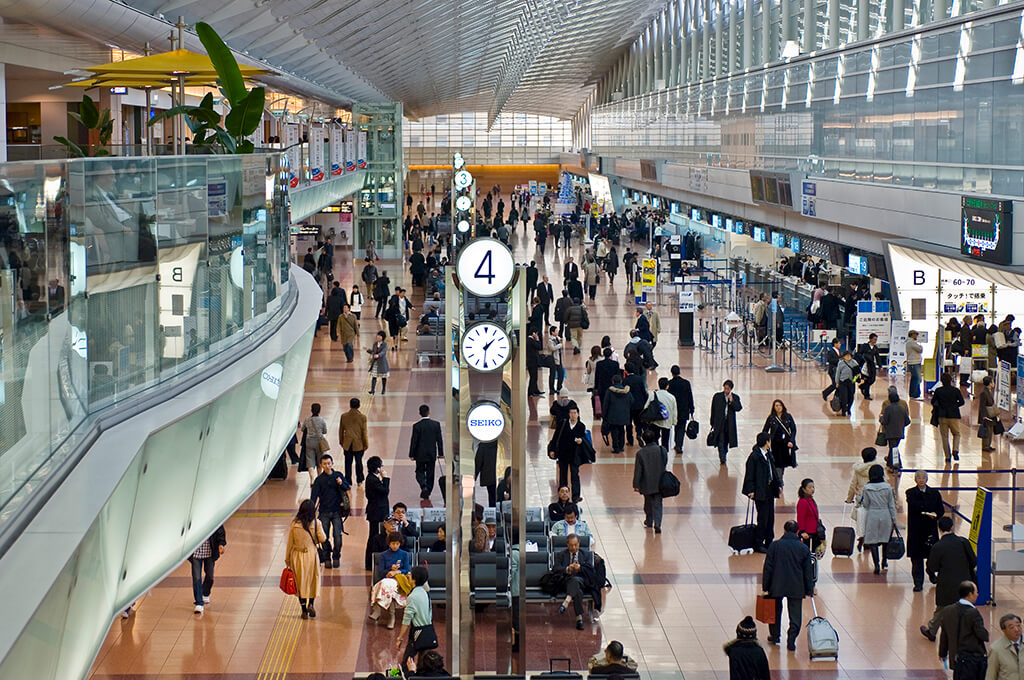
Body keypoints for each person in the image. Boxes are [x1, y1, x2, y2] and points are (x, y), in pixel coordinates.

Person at [762, 520, 816, 651]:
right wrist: (809, 589)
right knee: (795, 615)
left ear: (784, 530)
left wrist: (766, 586)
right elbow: (808, 571)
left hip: (777, 584)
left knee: (775, 611)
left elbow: (768, 568)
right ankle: (791, 639)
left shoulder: (775, 546)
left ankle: (775, 636)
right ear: (797, 532)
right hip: (796, 586)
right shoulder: (803, 548)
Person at [922, 516, 978, 641]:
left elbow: (932, 566)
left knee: (942, 609)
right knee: (966, 608)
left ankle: (932, 630)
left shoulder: (938, 546)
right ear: (952, 527)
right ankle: (968, 633)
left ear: (939, 529)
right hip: (965, 582)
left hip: (946, 584)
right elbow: (973, 561)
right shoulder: (963, 542)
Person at [937, 581, 989, 678]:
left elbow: (944, 634)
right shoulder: (973, 613)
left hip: (956, 659)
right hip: (972, 660)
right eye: (976, 592)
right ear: (970, 594)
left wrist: (942, 653)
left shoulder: (947, 610)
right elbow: (982, 635)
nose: (977, 595)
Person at [285, 499, 326, 619]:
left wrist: (287, 559)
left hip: (297, 556)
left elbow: (290, 543)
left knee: (300, 582)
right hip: (311, 555)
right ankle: (311, 604)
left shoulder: (294, 524)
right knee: (312, 580)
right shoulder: (316, 523)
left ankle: (303, 609)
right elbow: (323, 539)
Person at [310, 453, 351, 570]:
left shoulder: (338, 475)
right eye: (324, 464)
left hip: (337, 512)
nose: (327, 466)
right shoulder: (319, 480)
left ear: (332, 463)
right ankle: (327, 557)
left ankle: (336, 556)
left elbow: (347, 487)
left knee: (337, 536)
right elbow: (313, 497)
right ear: (321, 465)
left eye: (329, 463)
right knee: (324, 537)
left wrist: (341, 483)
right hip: (324, 512)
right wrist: (311, 511)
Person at [906, 471, 944, 592]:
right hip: (916, 529)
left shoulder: (934, 493)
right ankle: (918, 583)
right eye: (919, 478)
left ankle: (931, 572)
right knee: (916, 558)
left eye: (923, 478)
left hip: (930, 528)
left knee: (932, 555)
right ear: (915, 479)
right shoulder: (910, 493)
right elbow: (914, 506)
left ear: (927, 479)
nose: (921, 480)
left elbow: (940, 509)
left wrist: (936, 515)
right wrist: (926, 510)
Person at [743, 432, 780, 553]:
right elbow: (749, 475)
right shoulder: (754, 457)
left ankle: (769, 540)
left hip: (769, 490)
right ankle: (758, 542)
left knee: (770, 517)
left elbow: (773, 471)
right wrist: (751, 490)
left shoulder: (768, 455)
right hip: (760, 491)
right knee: (763, 517)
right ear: (766, 442)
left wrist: (777, 484)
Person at [369, 531, 412, 629]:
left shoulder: (404, 554)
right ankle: (391, 616)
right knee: (388, 586)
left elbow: (407, 570)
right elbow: (380, 572)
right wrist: (389, 571)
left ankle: (378, 611)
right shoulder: (383, 555)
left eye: (397, 544)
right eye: (393, 543)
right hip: (387, 579)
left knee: (389, 587)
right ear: (389, 543)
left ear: (400, 543)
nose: (395, 546)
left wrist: (397, 572)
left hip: (399, 580)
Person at [393, 566, 434, 668]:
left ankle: (406, 676)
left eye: (410, 574)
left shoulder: (412, 597)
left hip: (417, 633)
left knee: (406, 662)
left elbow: (406, 621)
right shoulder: (425, 593)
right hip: (428, 632)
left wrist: (399, 638)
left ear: (415, 579)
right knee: (423, 663)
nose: (408, 575)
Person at [860, 464, 896, 574]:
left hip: (873, 514)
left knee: (873, 540)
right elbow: (891, 504)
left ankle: (876, 565)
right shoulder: (888, 487)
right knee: (885, 539)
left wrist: (858, 498)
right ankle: (884, 561)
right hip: (885, 514)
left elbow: (866, 504)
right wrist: (894, 519)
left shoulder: (867, 488)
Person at [553, 534, 593, 630]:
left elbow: (591, 571)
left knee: (576, 581)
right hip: (566, 582)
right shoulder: (561, 555)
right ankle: (579, 619)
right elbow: (555, 569)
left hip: (583, 581)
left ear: (579, 544)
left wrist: (581, 568)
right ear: (567, 544)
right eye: (571, 545)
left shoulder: (586, 554)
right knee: (577, 590)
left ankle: (566, 602)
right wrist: (567, 568)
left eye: (575, 545)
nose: (573, 547)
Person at [633, 425, 668, 534]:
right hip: (659, 482)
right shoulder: (661, 450)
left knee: (648, 503)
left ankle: (649, 520)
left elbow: (638, 470)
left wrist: (636, 484)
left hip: (646, 482)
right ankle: (657, 523)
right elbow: (665, 462)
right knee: (658, 503)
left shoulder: (641, 453)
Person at [549, 406, 589, 502]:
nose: (573, 415)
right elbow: (556, 437)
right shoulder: (562, 424)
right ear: (569, 414)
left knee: (575, 474)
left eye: (575, 413)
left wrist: (581, 441)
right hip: (563, 454)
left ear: (578, 414)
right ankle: (563, 494)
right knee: (563, 475)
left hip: (575, 455)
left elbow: (584, 439)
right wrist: (552, 449)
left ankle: (575, 496)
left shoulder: (581, 426)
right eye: (571, 413)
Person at [187, 525, 226, 614]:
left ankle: (205, 592)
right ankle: (199, 603)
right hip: (196, 553)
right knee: (196, 578)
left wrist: (221, 544)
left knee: (210, 576)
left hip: (209, 551)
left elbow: (219, 530)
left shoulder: (211, 515)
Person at [409, 404, 444, 499]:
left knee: (419, 471)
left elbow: (414, 441)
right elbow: (439, 440)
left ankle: (423, 485)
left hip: (419, 454)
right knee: (430, 473)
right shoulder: (436, 424)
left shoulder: (416, 426)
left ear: (419, 413)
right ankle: (428, 490)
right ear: (429, 412)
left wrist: (411, 454)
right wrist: (441, 453)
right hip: (431, 454)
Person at [364, 456, 391, 571]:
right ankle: (370, 562)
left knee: (374, 536)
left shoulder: (372, 478)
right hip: (376, 513)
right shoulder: (372, 480)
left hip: (376, 511)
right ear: (377, 468)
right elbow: (385, 491)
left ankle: (373, 561)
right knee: (374, 537)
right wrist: (385, 478)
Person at [932, 372, 966, 462]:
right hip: (954, 415)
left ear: (941, 381)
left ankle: (947, 456)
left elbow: (933, 402)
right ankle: (955, 450)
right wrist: (955, 405)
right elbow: (962, 402)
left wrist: (939, 407)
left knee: (944, 436)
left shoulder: (938, 391)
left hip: (942, 416)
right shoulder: (955, 390)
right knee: (957, 433)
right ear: (951, 380)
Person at [762, 399, 797, 480]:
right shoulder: (771, 418)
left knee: (783, 463)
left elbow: (793, 429)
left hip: (785, 444)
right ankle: (779, 480)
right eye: (776, 406)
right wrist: (767, 442)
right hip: (775, 444)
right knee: (777, 462)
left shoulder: (788, 416)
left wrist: (791, 440)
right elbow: (765, 430)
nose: (778, 407)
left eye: (780, 405)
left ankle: (779, 478)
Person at [710, 380, 743, 465]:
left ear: (731, 389)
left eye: (728, 389)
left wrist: (731, 401)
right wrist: (712, 422)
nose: (726, 390)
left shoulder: (735, 397)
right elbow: (713, 409)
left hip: (729, 423)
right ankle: (722, 456)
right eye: (725, 388)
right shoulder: (717, 397)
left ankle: (724, 453)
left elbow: (738, 408)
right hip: (719, 422)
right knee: (720, 439)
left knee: (726, 440)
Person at [984, 613, 1023, 680]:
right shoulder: (996, 649)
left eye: (1018, 625)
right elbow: (991, 674)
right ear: (1004, 630)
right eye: (1011, 627)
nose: (1016, 629)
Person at [666, 365, 694, 455]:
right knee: (681, 427)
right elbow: (690, 396)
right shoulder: (686, 383)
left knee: (675, 426)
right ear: (679, 372)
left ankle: (676, 442)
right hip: (684, 409)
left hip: (673, 409)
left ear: (672, 373)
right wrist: (692, 408)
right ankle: (679, 444)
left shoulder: (669, 384)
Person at [879, 391, 911, 470]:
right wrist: (901, 425)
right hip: (900, 432)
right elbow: (908, 421)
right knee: (893, 447)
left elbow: (884, 421)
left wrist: (881, 419)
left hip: (890, 432)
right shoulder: (902, 408)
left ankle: (897, 465)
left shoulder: (888, 408)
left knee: (894, 448)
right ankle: (889, 463)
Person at [340, 398, 368, 485]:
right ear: (359, 406)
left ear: (350, 405)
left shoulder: (344, 416)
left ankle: (348, 480)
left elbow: (341, 430)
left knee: (348, 463)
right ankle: (359, 480)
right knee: (358, 462)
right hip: (358, 443)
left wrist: (341, 441)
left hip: (347, 444)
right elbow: (364, 432)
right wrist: (366, 443)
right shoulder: (362, 417)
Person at [645, 377, 678, 450]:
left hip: (655, 421)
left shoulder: (653, 395)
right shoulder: (671, 397)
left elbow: (646, 407)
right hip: (667, 422)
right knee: (665, 440)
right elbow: (674, 411)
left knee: (655, 437)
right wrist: (674, 422)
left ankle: (656, 451)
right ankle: (664, 453)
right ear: (667, 386)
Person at [602, 374, 632, 454]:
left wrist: (604, 415)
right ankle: (621, 446)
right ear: (621, 381)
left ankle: (616, 447)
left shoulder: (609, 391)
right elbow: (632, 401)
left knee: (614, 431)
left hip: (612, 415)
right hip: (623, 414)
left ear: (612, 382)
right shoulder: (626, 391)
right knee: (622, 430)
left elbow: (606, 404)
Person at [303, 403, 328, 485]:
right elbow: (325, 431)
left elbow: (303, 429)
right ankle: (319, 479)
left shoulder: (307, 419)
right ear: (319, 410)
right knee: (319, 460)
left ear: (311, 410)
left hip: (309, 441)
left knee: (310, 460)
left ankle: (312, 480)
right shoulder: (322, 420)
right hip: (319, 442)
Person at [796, 479, 822, 555]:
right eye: (809, 487)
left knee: (814, 553)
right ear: (804, 489)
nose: (812, 489)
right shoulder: (803, 502)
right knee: (806, 553)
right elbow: (800, 518)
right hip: (807, 533)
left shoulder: (811, 499)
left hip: (814, 532)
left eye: (813, 487)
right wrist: (802, 531)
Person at [856, 333, 881, 400]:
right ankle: (866, 395)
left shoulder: (875, 348)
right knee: (867, 380)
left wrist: (880, 365)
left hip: (871, 366)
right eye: (874, 339)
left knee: (872, 380)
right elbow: (859, 354)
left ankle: (862, 387)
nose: (875, 341)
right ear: (870, 339)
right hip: (864, 365)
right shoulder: (864, 346)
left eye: (876, 339)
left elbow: (877, 357)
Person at [835, 350, 859, 416]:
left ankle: (849, 409)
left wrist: (854, 380)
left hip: (851, 382)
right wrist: (837, 382)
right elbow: (838, 373)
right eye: (846, 355)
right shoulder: (841, 363)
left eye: (849, 355)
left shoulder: (854, 363)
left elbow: (858, 374)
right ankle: (843, 410)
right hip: (843, 382)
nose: (848, 357)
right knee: (844, 397)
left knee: (851, 397)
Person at [367, 331, 390, 395]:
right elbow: (373, 352)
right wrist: (368, 350)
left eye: (380, 336)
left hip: (382, 363)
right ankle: (372, 390)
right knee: (374, 376)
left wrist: (378, 355)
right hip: (375, 362)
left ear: (383, 337)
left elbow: (383, 352)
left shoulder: (384, 345)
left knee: (383, 377)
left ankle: (383, 389)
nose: (378, 337)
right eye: (377, 335)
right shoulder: (375, 344)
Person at [978, 375, 997, 452]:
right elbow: (982, 405)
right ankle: (985, 446)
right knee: (986, 430)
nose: (993, 383)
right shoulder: (984, 393)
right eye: (992, 382)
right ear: (989, 383)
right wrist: (984, 416)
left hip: (990, 413)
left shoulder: (989, 391)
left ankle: (988, 445)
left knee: (990, 430)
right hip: (986, 414)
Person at [907, 329, 924, 399]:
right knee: (917, 378)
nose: (916, 336)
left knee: (915, 378)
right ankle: (914, 394)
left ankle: (915, 394)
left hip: (914, 362)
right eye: (916, 335)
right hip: (914, 362)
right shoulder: (911, 343)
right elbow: (920, 350)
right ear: (912, 335)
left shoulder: (910, 342)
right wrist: (921, 346)